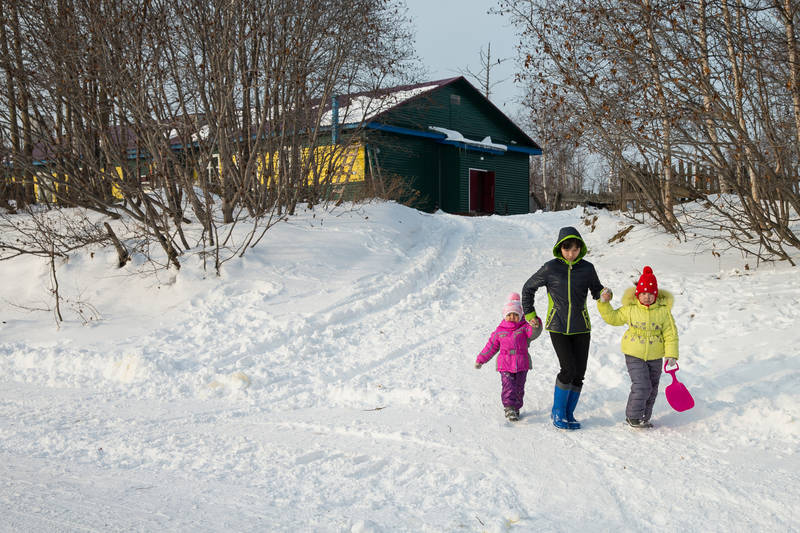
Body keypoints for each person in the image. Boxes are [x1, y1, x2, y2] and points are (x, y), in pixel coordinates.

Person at [521, 226, 610, 430]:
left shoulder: (587, 269)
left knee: (579, 372)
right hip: (558, 326)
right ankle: (558, 412)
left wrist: (605, 294)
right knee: (568, 368)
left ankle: (569, 412)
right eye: (567, 249)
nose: (571, 253)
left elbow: (597, 290)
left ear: (581, 248)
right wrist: (530, 314)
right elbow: (528, 288)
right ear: (560, 247)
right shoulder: (550, 268)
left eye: (575, 249)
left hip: (581, 327)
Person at [597, 266, 679, 428]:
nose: (647, 297)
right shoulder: (630, 309)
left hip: (655, 355)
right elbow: (613, 318)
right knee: (642, 385)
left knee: (653, 388)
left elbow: (671, 334)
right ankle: (633, 416)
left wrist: (671, 354)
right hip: (634, 353)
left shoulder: (663, 312)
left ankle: (644, 417)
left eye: (650, 294)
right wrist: (604, 304)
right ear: (638, 294)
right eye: (643, 294)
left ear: (655, 295)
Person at [475, 292, 542, 421]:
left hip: (522, 363)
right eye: (509, 314)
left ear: (520, 315)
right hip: (505, 364)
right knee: (508, 386)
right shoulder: (500, 331)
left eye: (515, 315)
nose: (512, 317)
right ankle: (509, 408)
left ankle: (516, 408)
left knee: (519, 387)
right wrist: (481, 359)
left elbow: (534, 332)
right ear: (505, 315)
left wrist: (536, 323)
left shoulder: (524, 328)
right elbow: (491, 347)